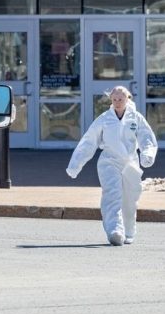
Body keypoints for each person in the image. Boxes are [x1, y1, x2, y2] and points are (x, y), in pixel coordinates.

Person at [66, 86, 158, 246]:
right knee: (112, 194)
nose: (117, 102)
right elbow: (89, 141)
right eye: (114, 99)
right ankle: (114, 230)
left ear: (128, 99)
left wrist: (147, 154)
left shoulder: (136, 118)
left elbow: (147, 137)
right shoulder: (104, 119)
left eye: (120, 99)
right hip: (109, 162)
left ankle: (129, 232)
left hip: (130, 163)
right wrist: (75, 165)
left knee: (130, 199)